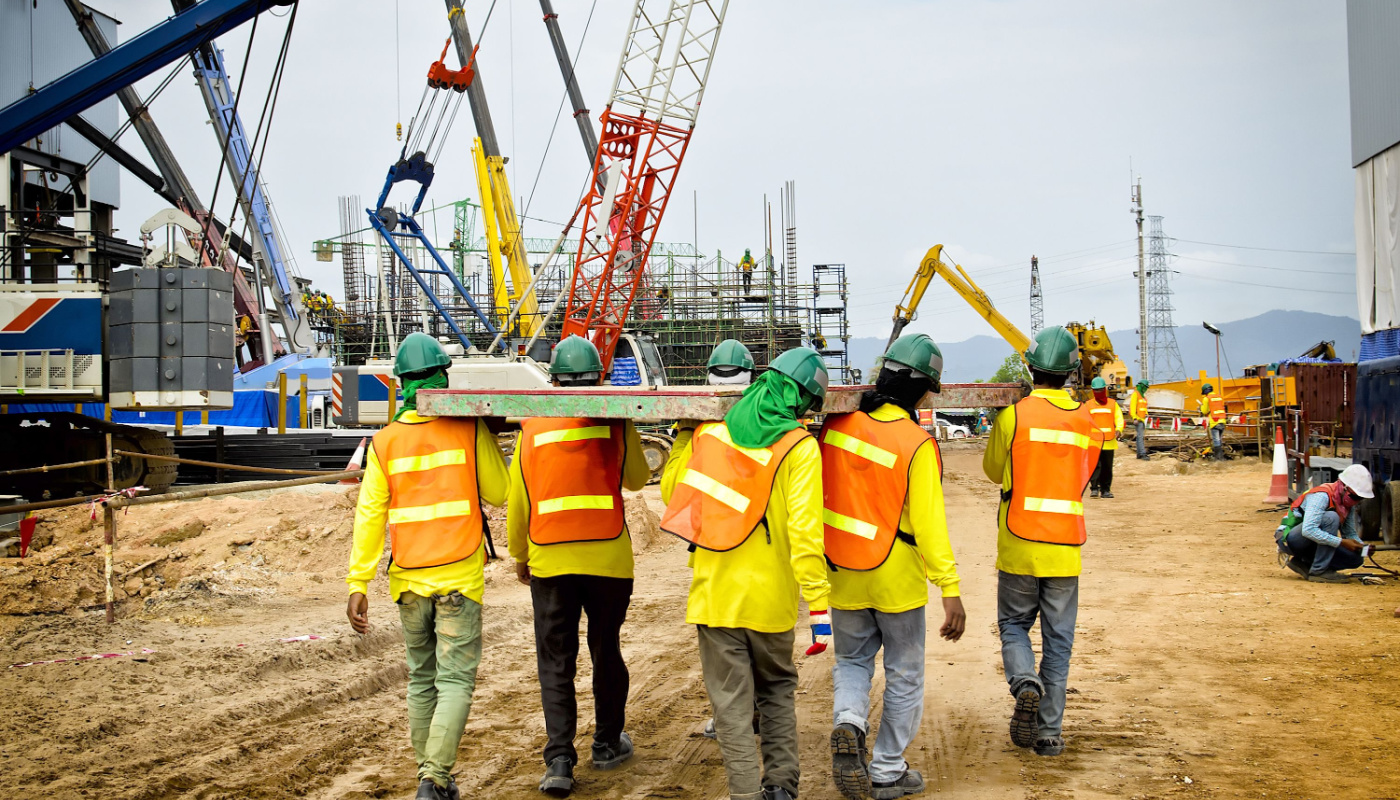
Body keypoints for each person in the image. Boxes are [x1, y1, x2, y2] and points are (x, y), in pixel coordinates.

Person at [660, 347, 832, 800]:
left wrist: (683, 435)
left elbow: (674, 493)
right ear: (801, 402)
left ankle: (743, 793)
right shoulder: (800, 447)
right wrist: (818, 606)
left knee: (731, 708)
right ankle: (781, 787)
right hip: (770, 601)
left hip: (714, 596)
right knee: (776, 691)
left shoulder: (711, 435)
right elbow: (805, 533)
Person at [346, 332, 509, 800]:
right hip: (458, 578)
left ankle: (432, 776)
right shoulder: (466, 428)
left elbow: (369, 516)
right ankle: (433, 778)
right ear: (444, 376)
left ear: (401, 383)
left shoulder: (384, 442)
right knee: (454, 679)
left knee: (422, 680)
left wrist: (358, 582)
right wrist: (488, 438)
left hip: (409, 583)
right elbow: (498, 494)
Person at [821, 334, 966, 800]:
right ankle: (885, 769)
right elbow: (930, 526)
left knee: (851, 662)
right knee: (904, 672)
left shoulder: (837, 426)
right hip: (897, 578)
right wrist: (950, 587)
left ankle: (849, 722)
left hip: (841, 573)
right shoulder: (917, 443)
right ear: (921, 390)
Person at [508, 334, 652, 797]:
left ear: (552, 378)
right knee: (605, 648)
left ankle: (560, 760)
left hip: (550, 558)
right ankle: (608, 743)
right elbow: (636, 481)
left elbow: (519, 501)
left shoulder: (532, 428)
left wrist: (520, 555)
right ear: (599, 377)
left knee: (556, 660)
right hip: (609, 559)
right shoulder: (613, 419)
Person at [981, 326, 1103, 758]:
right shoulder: (1087, 421)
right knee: (1059, 643)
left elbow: (994, 472)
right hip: (1065, 549)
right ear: (1072, 373)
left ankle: (1023, 682)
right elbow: (1085, 476)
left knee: (1014, 626)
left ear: (1030, 369)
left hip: (1017, 543)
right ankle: (1049, 734)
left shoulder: (1013, 417)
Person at [1276, 464, 1374, 583]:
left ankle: (1303, 563)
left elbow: (1350, 534)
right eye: (1354, 497)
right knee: (1331, 517)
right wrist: (1341, 542)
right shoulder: (1321, 496)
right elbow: (1308, 530)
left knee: (1356, 559)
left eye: (1360, 498)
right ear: (1343, 486)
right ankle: (1319, 571)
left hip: (1311, 543)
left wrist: (1362, 547)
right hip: (1291, 539)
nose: (1356, 501)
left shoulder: (1346, 504)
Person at [1086, 377, 1124, 499]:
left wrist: (1119, 429)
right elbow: (1084, 421)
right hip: (1094, 441)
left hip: (1109, 441)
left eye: (1101, 390)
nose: (1098, 392)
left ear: (1105, 389)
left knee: (1107, 467)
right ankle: (1094, 489)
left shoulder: (1113, 404)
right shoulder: (1088, 405)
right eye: (1096, 390)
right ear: (1093, 391)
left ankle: (1106, 490)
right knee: (1095, 466)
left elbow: (1119, 418)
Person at [1198, 384, 1228, 460]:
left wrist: (1201, 407)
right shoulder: (1219, 397)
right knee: (1219, 440)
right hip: (1222, 420)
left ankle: (1219, 459)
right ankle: (1221, 457)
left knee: (1216, 440)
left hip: (1214, 421)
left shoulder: (1206, 398)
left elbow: (1205, 411)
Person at [1129, 379, 1150, 460]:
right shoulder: (1136, 394)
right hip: (1138, 419)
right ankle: (1142, 453)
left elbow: (1144, 408)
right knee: (1140, 436)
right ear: (1142, 386)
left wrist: (1147, 415)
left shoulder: (1143, 396)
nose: (1146, 389)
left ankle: (1139, 454)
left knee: (1139, 436)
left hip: (1143, 419)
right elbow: (1132, 408)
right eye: (1145, 387)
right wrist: (1134, 418)